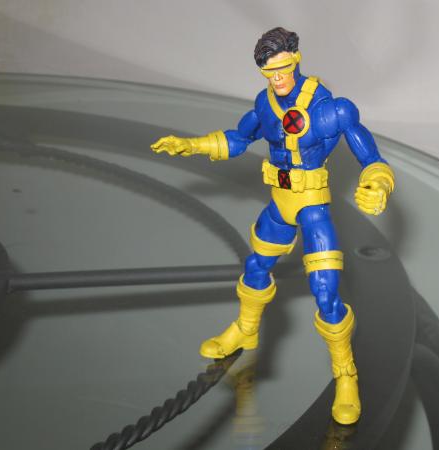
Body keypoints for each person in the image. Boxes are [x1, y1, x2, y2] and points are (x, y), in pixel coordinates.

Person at [151, 27, 395, 425]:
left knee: (326, 294)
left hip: (312, 206)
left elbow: (371, 157)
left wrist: (378, 184)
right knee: (255, 267)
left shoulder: (331, 109)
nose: (277, 79)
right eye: (269, 73)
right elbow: (238, 138)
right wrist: (192, 145)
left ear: (296, 59)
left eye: (282, 69)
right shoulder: (264, 104)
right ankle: (246, 330)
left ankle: (345, 374)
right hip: (280, 203)